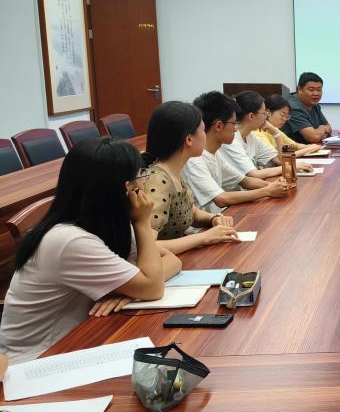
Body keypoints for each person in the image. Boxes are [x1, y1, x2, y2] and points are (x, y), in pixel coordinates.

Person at [0, 137, 182, 363]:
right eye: (141, 176)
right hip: (37, 361)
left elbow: (171, 261)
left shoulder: (108, 221)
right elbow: (153, 287)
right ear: (127, 188)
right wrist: (143, 224)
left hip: (79, 339)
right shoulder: (68, 240)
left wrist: (129, 290)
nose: (143, 185)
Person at [140, 101, 240, 254]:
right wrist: (204, 237)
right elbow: (149, 247)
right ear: (188, 139)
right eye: (203, 130)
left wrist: (214, 219)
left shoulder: (174, 170)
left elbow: (191, 212)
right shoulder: (158, 181)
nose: (206, 135)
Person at [182, 92, 291, 214]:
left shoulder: (215, 153)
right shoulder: (194, 160)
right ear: (219, 126)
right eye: (234, 123)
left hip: (220, 217)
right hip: (208, 223)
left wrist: (275, 186)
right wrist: (267, 191)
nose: (236, 129)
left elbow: (245, 181)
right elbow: (221, 199)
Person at [219, 91, 312, 180]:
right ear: (251, 116)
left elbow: (280, 160)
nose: (266, 117)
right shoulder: (231, 140)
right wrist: (290, 166)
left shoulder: (251, 137)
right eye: (264, 113)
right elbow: (254, 174)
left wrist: (276, 133)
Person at [254, 94, 323, 157]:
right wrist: (308, 149)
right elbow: (280, 156)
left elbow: (294, 146)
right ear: (268, 112)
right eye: (282, 114)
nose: (284, 119)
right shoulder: (258, 133)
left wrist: (311, 146)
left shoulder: (275, 129)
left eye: (287, 116)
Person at [283, 72, 331, 143]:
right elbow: (313, 137)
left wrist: (319, 132)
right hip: (291, 148)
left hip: (308, 147)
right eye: (311, 90)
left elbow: (329, 127)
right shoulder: (292, 107)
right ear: (300, 89)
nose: (316, 94)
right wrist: (322, 129)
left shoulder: (314, 104)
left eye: (319, 90)